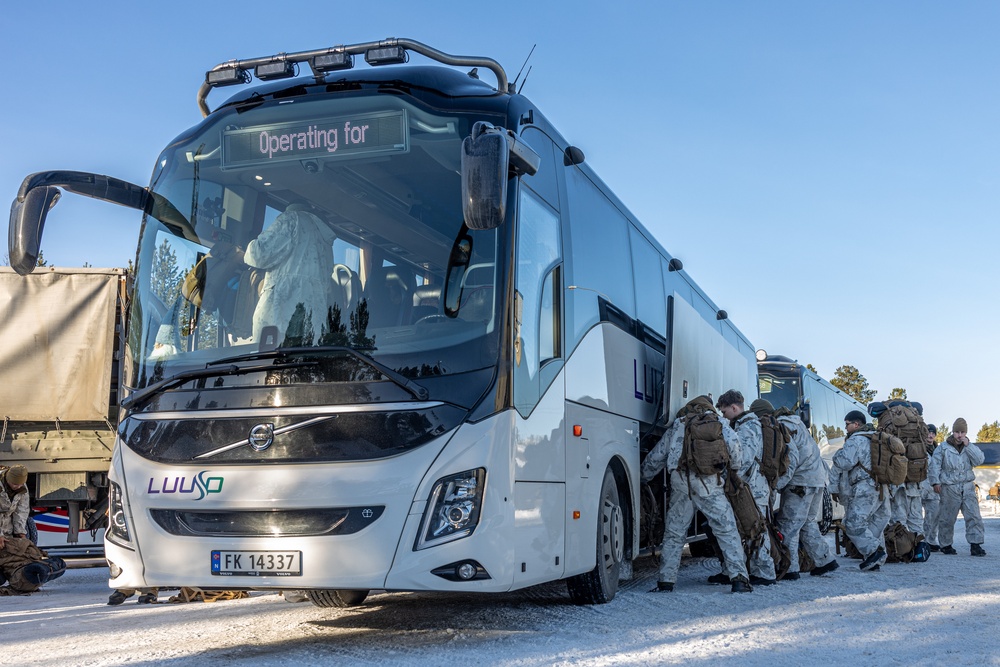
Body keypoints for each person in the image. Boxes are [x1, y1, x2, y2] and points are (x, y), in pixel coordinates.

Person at [641, 395, 752, 593]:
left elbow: (657, 456)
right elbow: (735, 448)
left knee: (675, 532)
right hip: (709, 483)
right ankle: (739, 579)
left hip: (681, 482)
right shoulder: (719, 423)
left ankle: (666, 581)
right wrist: (733, 470)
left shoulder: (679, 424)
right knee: (726, 530)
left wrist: (643, 476)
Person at [758, 400, 838, 579]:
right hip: (816, 480)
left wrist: (778, 485)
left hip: (800, 483)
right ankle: (825, 560)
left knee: (788, 525)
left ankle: (790, 568)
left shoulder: (783, 426)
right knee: (807, 523)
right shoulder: (798, 424)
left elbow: (791, 458)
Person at [244, 202, 337, 345]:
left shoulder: (291, 219)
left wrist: (245, 247)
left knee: (271, 359)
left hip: (282, 307)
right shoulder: (324, 237)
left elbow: (259, 255)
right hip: (315, 313)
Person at [711, 390, 778, 586]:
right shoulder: (746, 425)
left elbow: (744, 459)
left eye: (724, 412)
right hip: (750, 486)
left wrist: (726, 474)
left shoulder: (748, 427)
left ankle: (765, 573)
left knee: (756, 530)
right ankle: (733, 570)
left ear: (734, 408)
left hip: (752, 488)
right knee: (741, 530)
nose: (723, 416)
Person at [831, 411, 890, 571]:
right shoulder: (877, 438)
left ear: (856, 424)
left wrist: (837, 455)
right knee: (874, 523)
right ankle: (876, 558)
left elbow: (845, 462)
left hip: (865, 486)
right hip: (883, 486)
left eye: (847, 424)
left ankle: (873, 552)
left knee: (853, 524)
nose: (845, 428)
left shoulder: (856, 440)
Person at [929, 418, 986, 556]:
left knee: (974, 516)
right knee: (947, 518)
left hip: (967, 487)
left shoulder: (970, 448)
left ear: (966, 433)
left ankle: (975, 544)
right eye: (957, 432)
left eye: (962, 432)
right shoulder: (943, 447)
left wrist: (969, 446)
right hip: (949, 488)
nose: (959, 435)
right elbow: (934, 466)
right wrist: (935, 482)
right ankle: (946, 544)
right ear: (953, 432)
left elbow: (979, 460)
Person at [919, 424, 942, 551]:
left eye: (933, 433)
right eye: (928, 432)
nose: (930, 435)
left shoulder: (938, 450)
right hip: (919, 487)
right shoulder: (918, 448)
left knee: (934, 515)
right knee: (915, 516)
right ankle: (918, 540)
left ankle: (931, 540)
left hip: (933, 489)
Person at [0, 465, 30, 543]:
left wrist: (20, 532)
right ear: (8, 479)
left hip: (7, 531)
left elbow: (22, 510)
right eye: (15, 484)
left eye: (21, 484)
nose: (19, 486)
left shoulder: (22, 487)